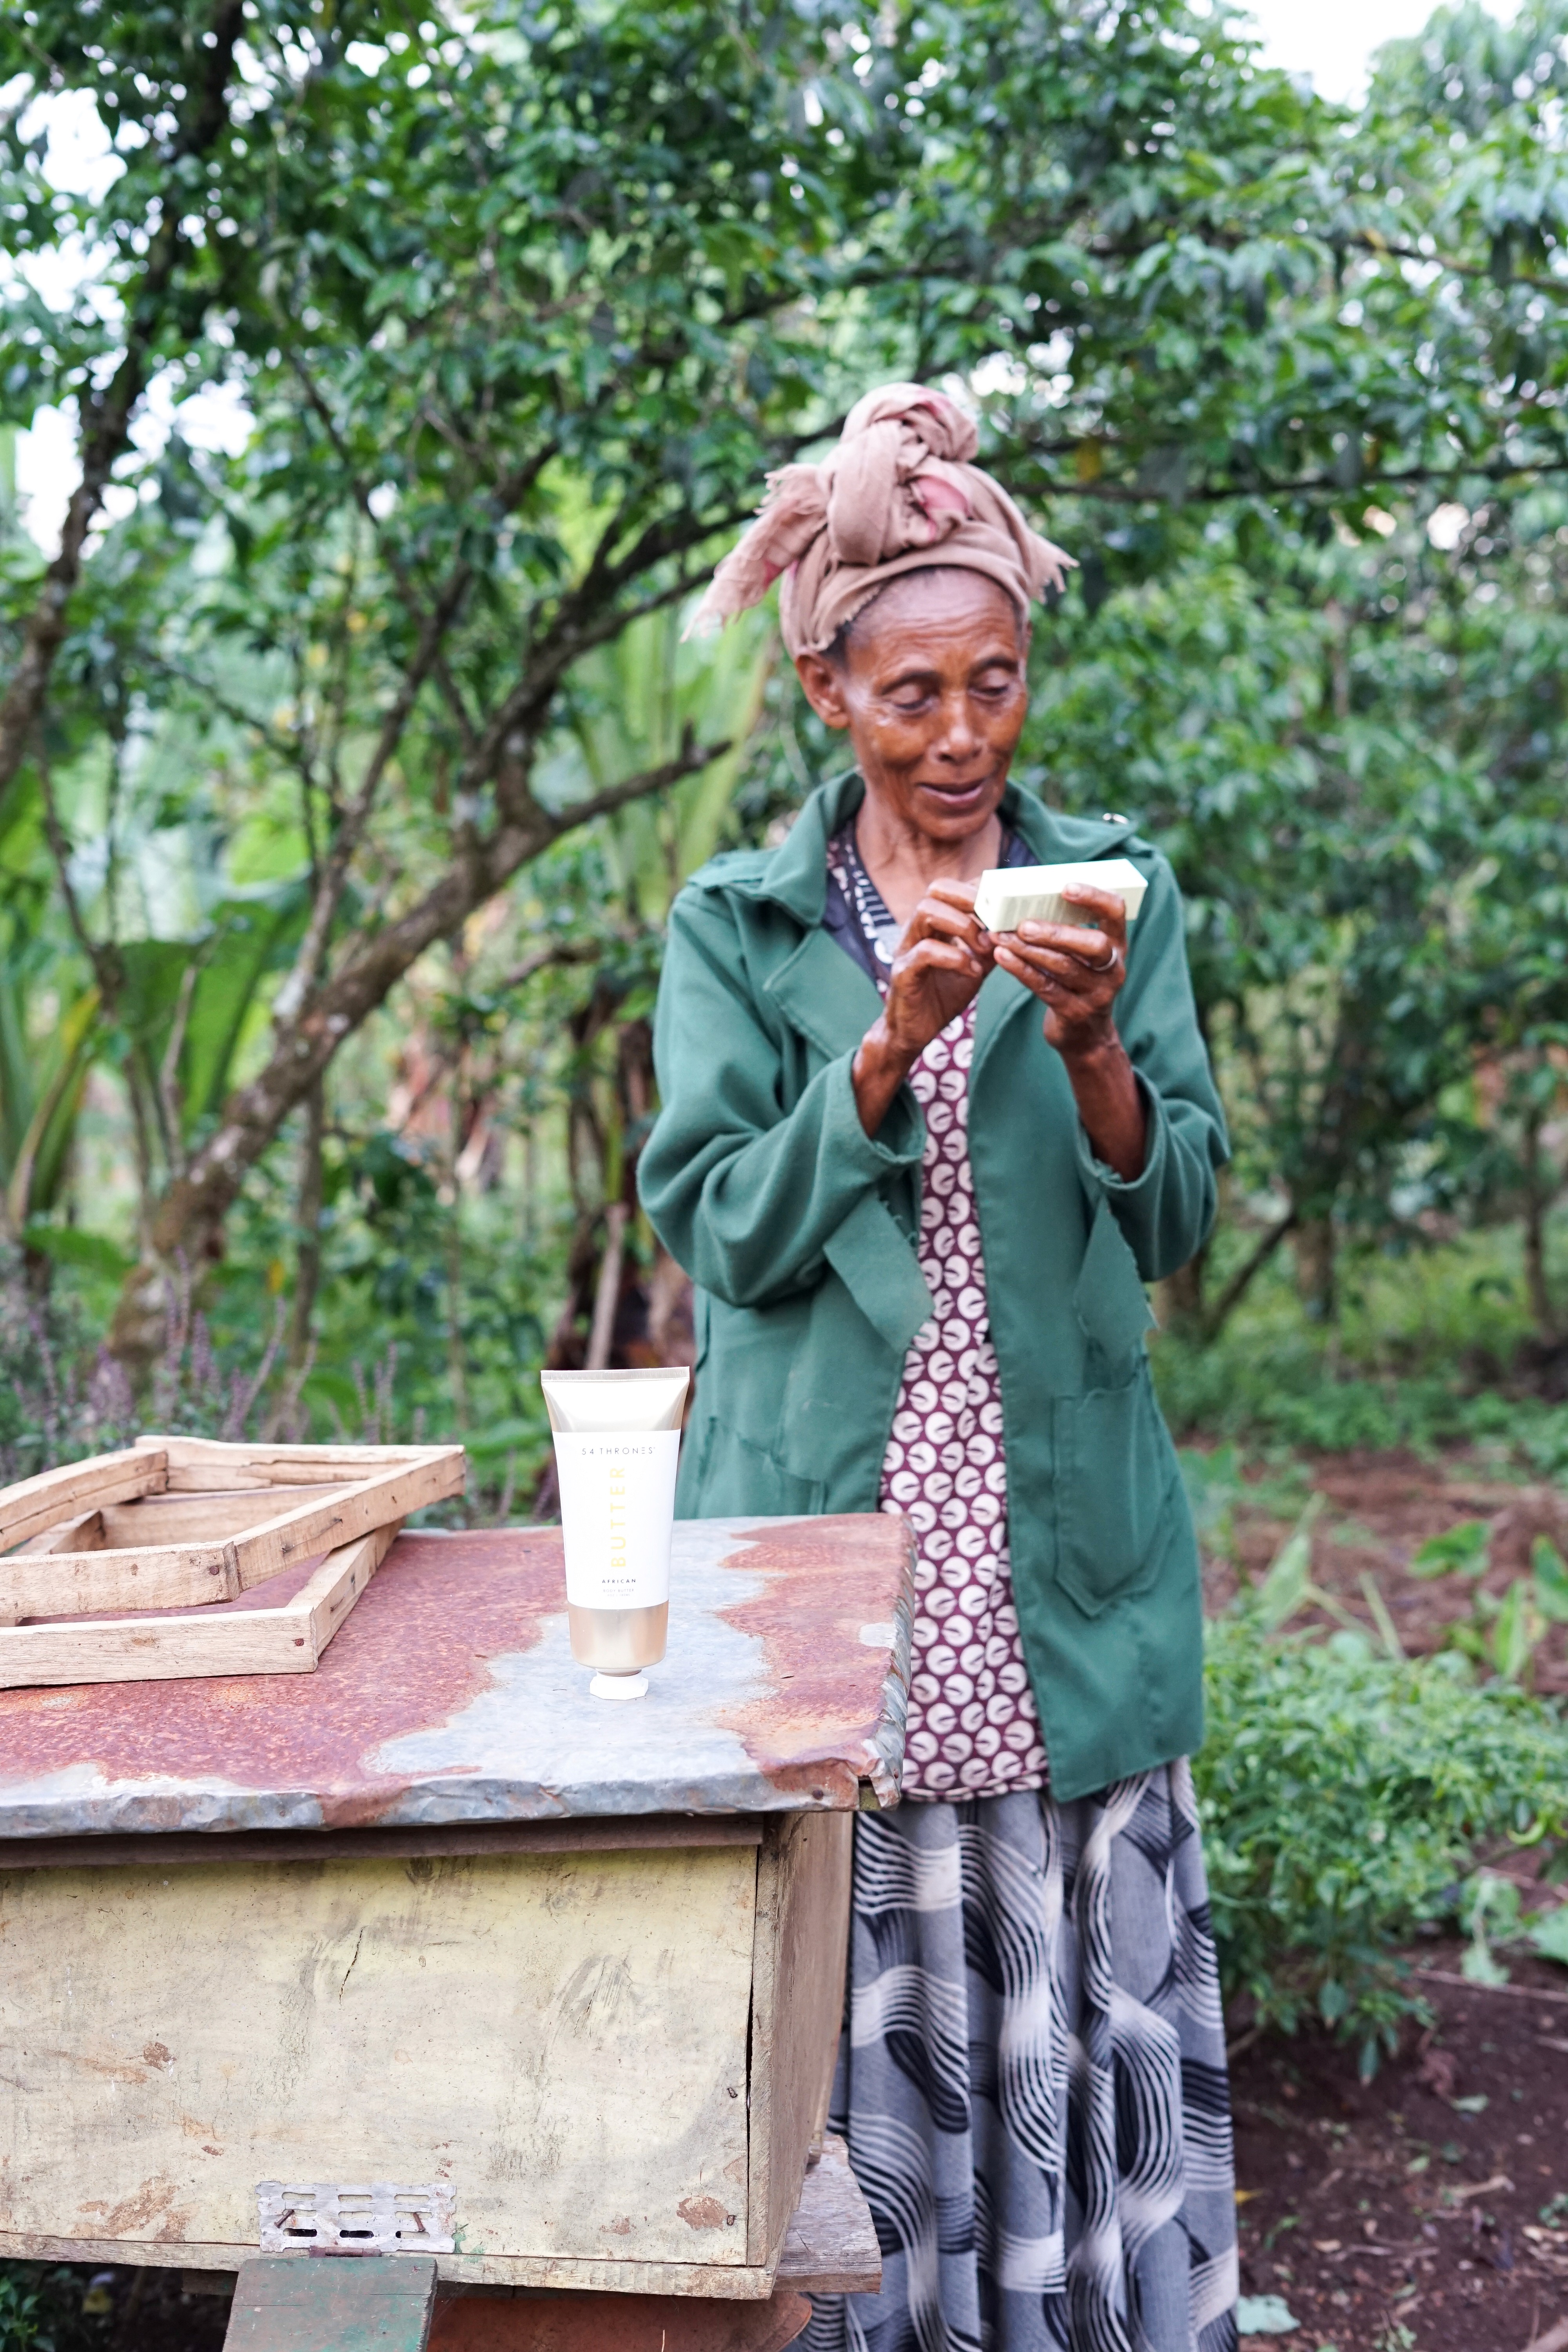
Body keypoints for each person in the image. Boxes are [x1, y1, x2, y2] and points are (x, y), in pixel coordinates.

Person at [639, 384, 1238, 2352]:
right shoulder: (740, 931)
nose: (964, 735)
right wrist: (882, 1054)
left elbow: (1179, 1213)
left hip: (1054, 1561)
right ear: (830, 692)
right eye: (913, 695)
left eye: (996, 683)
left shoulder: (1108, 893)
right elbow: (721, 1224)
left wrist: (1086, 1050)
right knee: (858, 2005)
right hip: (834, 1558)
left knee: (1065, 1990)